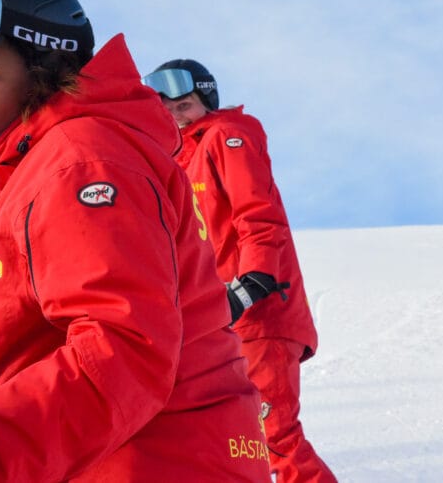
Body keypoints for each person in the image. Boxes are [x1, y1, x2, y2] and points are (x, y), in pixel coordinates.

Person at [0, 0, 272, 482]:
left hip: (150, 462)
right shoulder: (27, 175)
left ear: (44, 69)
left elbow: (123, 346)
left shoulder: (82, 160)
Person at [143, 59, 337, 483]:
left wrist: (254, 281)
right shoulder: (179, 159)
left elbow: (258, 214)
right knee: (228, 439)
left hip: (258, 313)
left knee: (273, 437)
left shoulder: (226, 135)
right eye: (166, 107)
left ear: (206, 101)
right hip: (219, 321)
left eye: (185, 104)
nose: (175, 114)